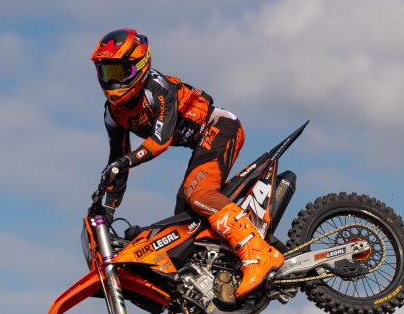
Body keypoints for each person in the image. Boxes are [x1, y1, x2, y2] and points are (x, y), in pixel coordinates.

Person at [91, 28, 283, 299]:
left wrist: (125, 162)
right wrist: (108, 211)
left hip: (220, 127)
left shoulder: (158, 88)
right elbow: (117, 162)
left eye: (120, 72)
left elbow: (160, 141)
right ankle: (223, 274)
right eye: (107, 72)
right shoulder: (113, 114)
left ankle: (258, 252)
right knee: (183, 225)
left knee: (199, 193)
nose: (113, 81)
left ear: (140, 65)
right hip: (202, 144)